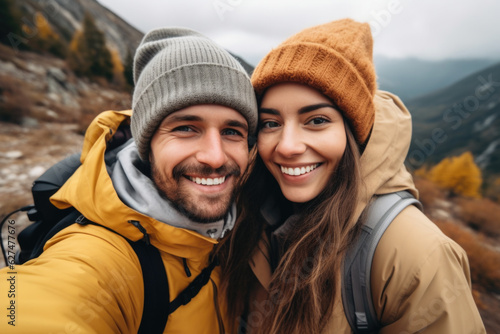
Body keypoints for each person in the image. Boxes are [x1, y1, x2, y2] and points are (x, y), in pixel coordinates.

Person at [219, 19, 486, 333]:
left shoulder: (416, 256)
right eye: (270, 123)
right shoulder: (246, 213)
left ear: (354, 134)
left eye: (316, 120)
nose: (288, 146)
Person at [0, 27, 257, 333]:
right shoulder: (100, 254)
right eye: (186, 128)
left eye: (232, 131)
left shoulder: (243, 222)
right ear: (146, 145)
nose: (215, 157)